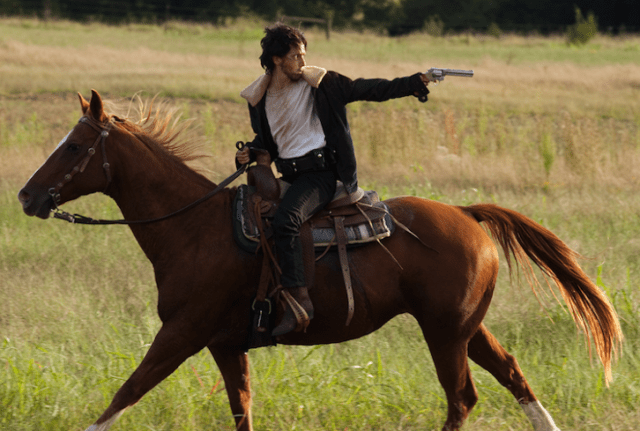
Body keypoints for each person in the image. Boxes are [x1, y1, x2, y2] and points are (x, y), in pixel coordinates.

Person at [236, 23, 431, 336]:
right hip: (290, 175)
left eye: (304, 54)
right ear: (276, 59)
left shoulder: (322, 84)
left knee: (287, 221)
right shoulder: (259, 98)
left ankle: (299, 301)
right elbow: (267, 141)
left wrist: (413, 83)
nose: (303, 61)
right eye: (296, 56)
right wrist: (249, 152)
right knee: (252, 216)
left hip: (321, 175)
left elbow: (369, 89)